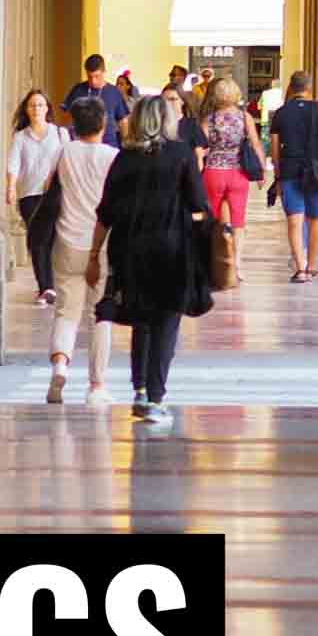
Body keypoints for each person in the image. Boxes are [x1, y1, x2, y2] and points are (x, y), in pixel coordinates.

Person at [88, 92, 210, 431]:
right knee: (166, 322)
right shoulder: (181, 154)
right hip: (170, 248)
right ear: (168, 120)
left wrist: (93, 256)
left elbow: (106, 213)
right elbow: (198, 202)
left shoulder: (124, 158)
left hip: (129, 250)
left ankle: (140, 391)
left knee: (142, 318)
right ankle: (156, 398)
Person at [45, 95, 118, 407]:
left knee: (66, 310)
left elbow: (49, 185)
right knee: (99, 314)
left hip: (67, 240)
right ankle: (96, 384)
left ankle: (61, 365)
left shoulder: (65, 151)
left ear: (74, 124)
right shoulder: (113, 157)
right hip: (100, 245)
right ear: (103, 123)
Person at [269, 69, 318, 282]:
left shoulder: (281, 113)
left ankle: (300, 269)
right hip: (317, 172)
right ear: (309, 88)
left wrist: (278, 175)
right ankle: (312, 266)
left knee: (294, 221)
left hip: (290, 171)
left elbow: (274, 148)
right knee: (315, 219)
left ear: (292, 87)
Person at [199, 73, 266, 282]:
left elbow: (201, 148)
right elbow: (255, 144)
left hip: (213, 172)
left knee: (212, 219)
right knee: (238, 221)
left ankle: (213, 263)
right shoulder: (244, 117)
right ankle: (236, 265)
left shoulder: (209, 119)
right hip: (238, 173)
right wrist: (261, 170)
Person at [6, 88, 68, 305]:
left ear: (47, 109)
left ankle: (49, 285)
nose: (36, 109)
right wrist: (11, 187)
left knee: (51, 239)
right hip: (30, 195)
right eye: (32, 105)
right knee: (37, 241)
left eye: (40, 105)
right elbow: (13, 163)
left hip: (55, 194)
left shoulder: (60, 134)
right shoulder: (21, 137)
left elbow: (68, 161)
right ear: (26, 109)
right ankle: (46, 287)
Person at [61, 53, 130, 148]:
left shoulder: (114, 92)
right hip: (81, 147)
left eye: (97, 76)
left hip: (109, 147)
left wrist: (126, 146)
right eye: (89, 77)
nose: (93, 81)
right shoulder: (78, 90)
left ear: (104, 72)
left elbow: (123, 122)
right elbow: (66, 117)